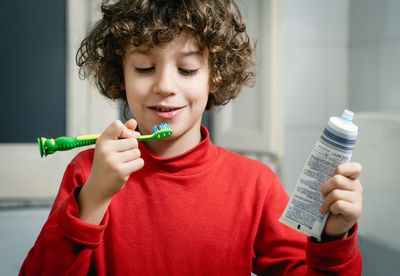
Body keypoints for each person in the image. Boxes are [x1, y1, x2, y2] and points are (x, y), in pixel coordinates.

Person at [20, 0, 363, 275]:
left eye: (187, 69)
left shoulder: (254, 185)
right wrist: (93, 198)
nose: (166, 86)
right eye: (143, 67)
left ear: (215, 76)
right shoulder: (88, 171)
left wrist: (334, 238)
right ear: (120, 75)